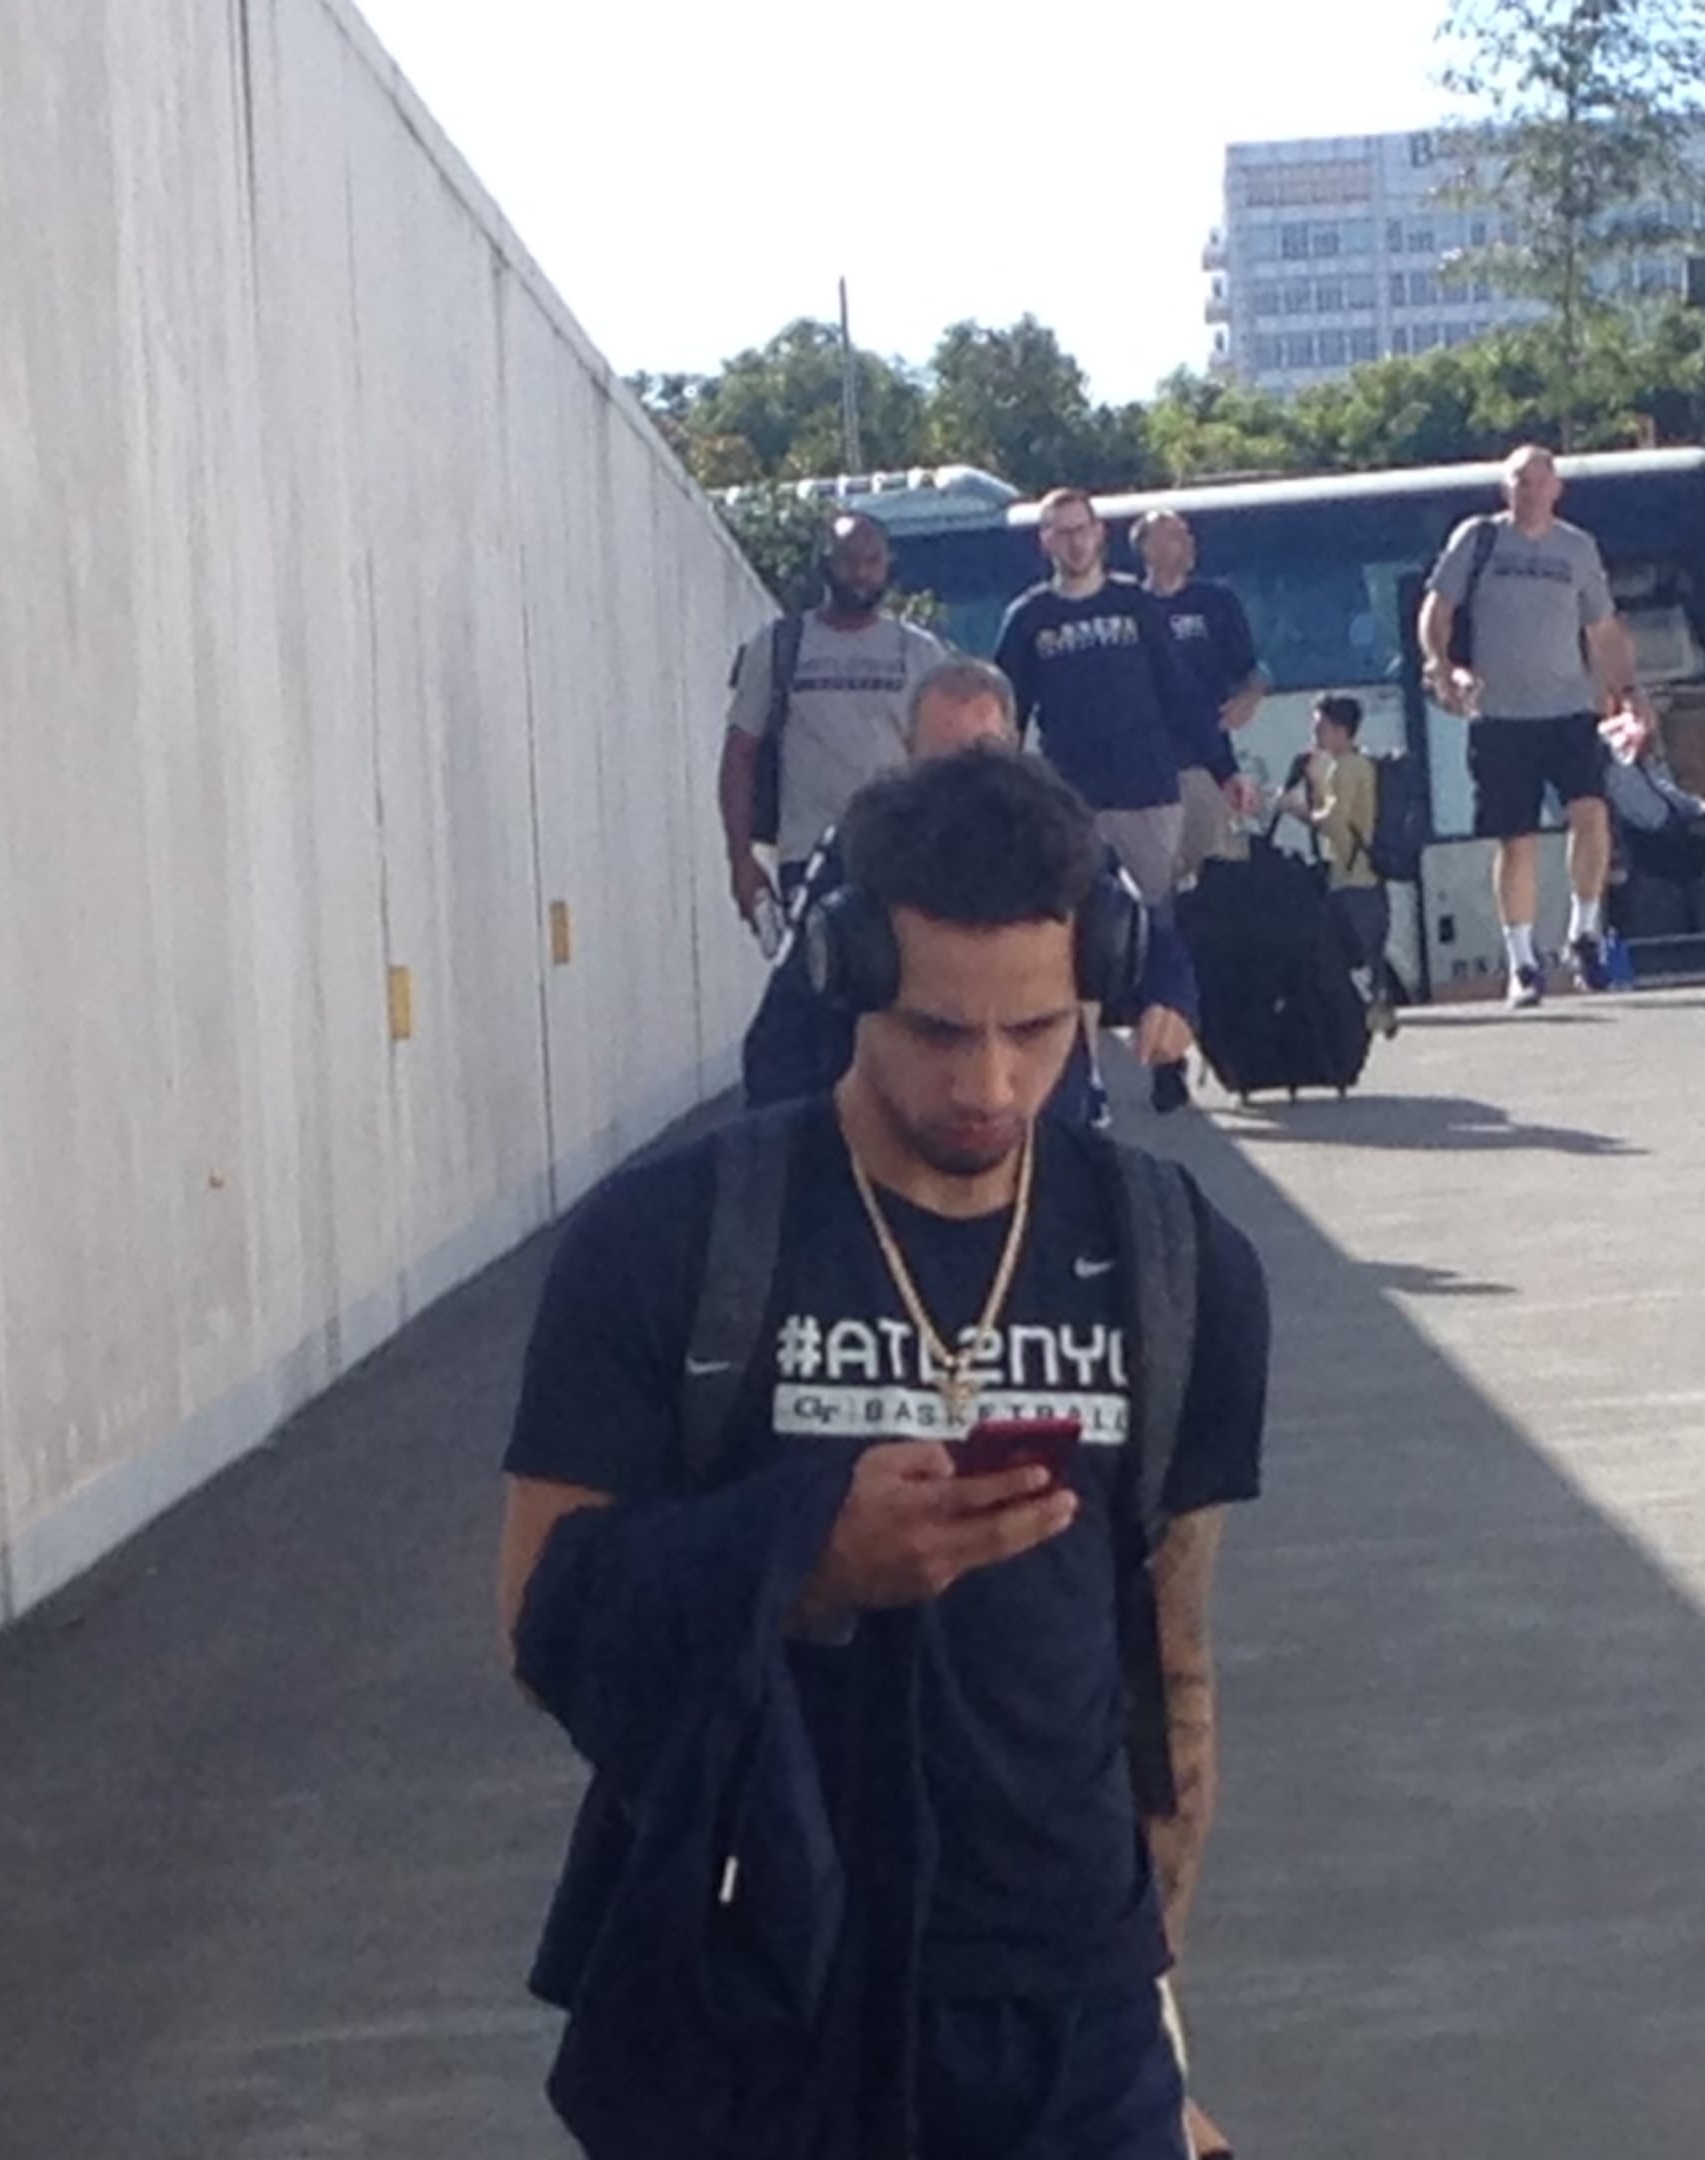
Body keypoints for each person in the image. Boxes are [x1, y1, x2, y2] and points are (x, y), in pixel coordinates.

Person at [501, 745, 1271, 2160]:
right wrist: (802, 1556)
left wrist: (1157, 2018)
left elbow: (1169, 1659)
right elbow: (539, 1617)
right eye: (934, 1031)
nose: (989, 1082)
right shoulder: (674, 1239)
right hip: (767, 1986)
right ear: (844, 974)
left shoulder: (1173, 1260)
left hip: (1071, 2013)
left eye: (1036, 1032)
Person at [743, 658, 1202, 1127]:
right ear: (909, 752)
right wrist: (788, 1155)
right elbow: (788, 1012)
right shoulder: (860, 842)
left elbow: (1135, 927)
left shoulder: (1060, 834)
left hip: (1049, 1128)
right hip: (898, 1132)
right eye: (945, 760)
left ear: (1015, 747)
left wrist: (1170, 995)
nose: (966, 785)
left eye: (983, 755)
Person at [1416, 446, 1641, 1009]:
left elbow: (1604, 629)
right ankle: (1522, 962)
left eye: (1540, 481)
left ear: (1556, 489)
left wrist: (1628, 692)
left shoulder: (1577, 547)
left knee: (1590, 814)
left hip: (1569, 708)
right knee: (1515, 841)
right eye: (1519, 481)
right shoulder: (1479, 538)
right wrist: (1441, 664)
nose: (1529, 491)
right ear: (1504, 487)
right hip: (1501, 716)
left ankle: (1584, 932)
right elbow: (1436, 611)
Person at [722, 511, 952, 936]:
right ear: (825, 564)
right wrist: (741, 860)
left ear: (888, 566)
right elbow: (740, 753)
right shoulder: (778, 645)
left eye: (872, 560)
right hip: (810, 858)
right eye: (848, 560)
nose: (860, 573)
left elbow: (950, 758)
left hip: (902, 855)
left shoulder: (921, 653)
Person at [997, 488, 1203, 910]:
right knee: (1080, 927)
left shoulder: (1136, 604)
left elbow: (1177, 692)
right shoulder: (1028, 618)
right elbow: (1006, 714)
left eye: (1081, 530)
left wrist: (1222, 768)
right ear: (1046, 540)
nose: (1074, 543)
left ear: (1098, 533)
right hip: (1070, 802)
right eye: (1062, 532)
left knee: (1154, 924)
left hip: (1147, 795)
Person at [1132, 510, 1268, 877]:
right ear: (1147, 547)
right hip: (1145, 768)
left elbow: (1251, 669)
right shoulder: (1129, 606)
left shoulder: (1217, 602)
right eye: (1174, 535)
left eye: (1187, 535)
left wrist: (1249, 696)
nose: (1187, 543)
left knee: (1216, 873)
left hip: (1205, 763)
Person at [1291, 694, 1398, 1032]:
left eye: (1320, 727)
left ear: (1340, 730)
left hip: (1351, 877)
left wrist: (1296, 810)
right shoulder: (1362, 764)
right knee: (1373, 953)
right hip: (1371, 878)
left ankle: (1369, 1014)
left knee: (1350, 951)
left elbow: (1336, 824)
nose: (1315, 735)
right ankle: (1380, 1011)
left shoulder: (1343, 768)